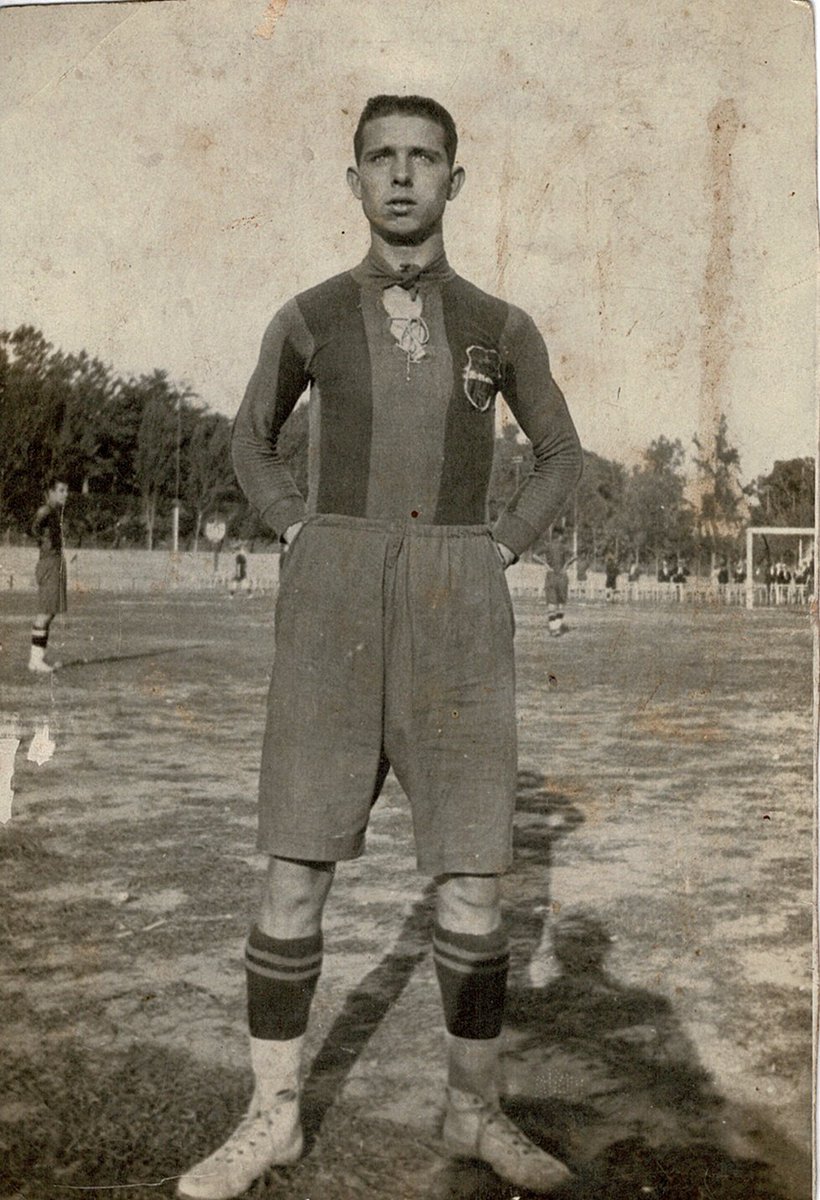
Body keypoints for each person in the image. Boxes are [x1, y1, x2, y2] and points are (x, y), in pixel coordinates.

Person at [178, 94, 582, 1200]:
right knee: (295, 868)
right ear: (352, 178)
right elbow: (247, 436)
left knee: (470, 889)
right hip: (334, 599)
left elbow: (560, 455)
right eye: (381, 159)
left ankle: (470, 1111)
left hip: (458, 597)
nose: (401, 177)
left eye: (424, 159)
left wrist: (496, 549)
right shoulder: (308, 315)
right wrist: (298, 527)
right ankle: (273, 1118)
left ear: (456, 180)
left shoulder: (502, 323)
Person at [29, 476, 69, 673]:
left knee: (50, 612)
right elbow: (32, 528)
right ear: (51, 492)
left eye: (66, 490)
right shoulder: (46, 510)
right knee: (45, 612)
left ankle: (39, 657)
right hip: (49, 563)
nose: (65, 494)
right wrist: (44, 542)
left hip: (55, 562)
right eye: (61, 490)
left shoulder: (56, 512)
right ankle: (35, 661)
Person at [533, 533, 576, 636]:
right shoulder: (563, 546)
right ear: (560, 536)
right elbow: (575, 556)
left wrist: (545, 564)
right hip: (561, 575)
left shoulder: (547, 546)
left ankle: (553, 629)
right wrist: (566, 565)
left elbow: (534, 555)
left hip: (551, 574)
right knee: (561, 603)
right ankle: (557, 627)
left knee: (551, 602)